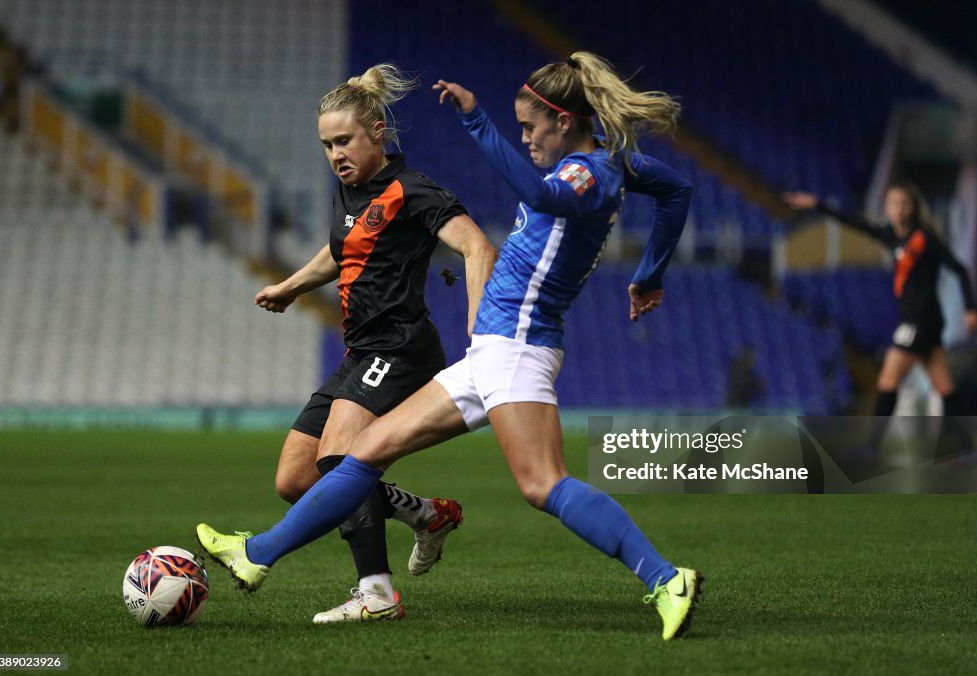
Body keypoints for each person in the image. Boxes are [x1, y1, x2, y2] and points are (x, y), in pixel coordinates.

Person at [198, 51, 700, 640]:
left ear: (565, 122)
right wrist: (651, 273)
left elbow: (543, 199)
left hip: (517, 346)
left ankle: (667, 579)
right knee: (361, 456)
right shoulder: (613, 163)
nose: (526, 139)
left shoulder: (582, 174)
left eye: (530, 128)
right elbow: (677, 189)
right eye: (517, 129)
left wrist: (478, 123)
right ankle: (257, 554)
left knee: (543, 484)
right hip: (492, 350)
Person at [250, 63, 497, 623]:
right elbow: (343, 251)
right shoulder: (348, 190)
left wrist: (479, 332)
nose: (335, 154)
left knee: (340, 459)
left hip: (402, 348)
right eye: (326, 145)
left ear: (377, 134)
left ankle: (376, 595)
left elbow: (478, 248)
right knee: (296, 480)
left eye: (344, 141)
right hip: (361, 352)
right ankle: (426, 515)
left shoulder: (413, 191)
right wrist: (291, 286)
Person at [783, 185, 977, 418]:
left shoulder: (923, 239)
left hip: (920, 320)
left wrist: (969, 309)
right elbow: (856, 223)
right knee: (944, 387)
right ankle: (966, 446)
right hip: (920, 321)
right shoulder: (890, 235)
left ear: (913, 207)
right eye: (893, 204)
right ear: (887, 208)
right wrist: (817, 204)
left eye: (903, 203)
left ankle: (873, 448)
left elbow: (960, 269)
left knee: (888, 380)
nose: (898, 209)